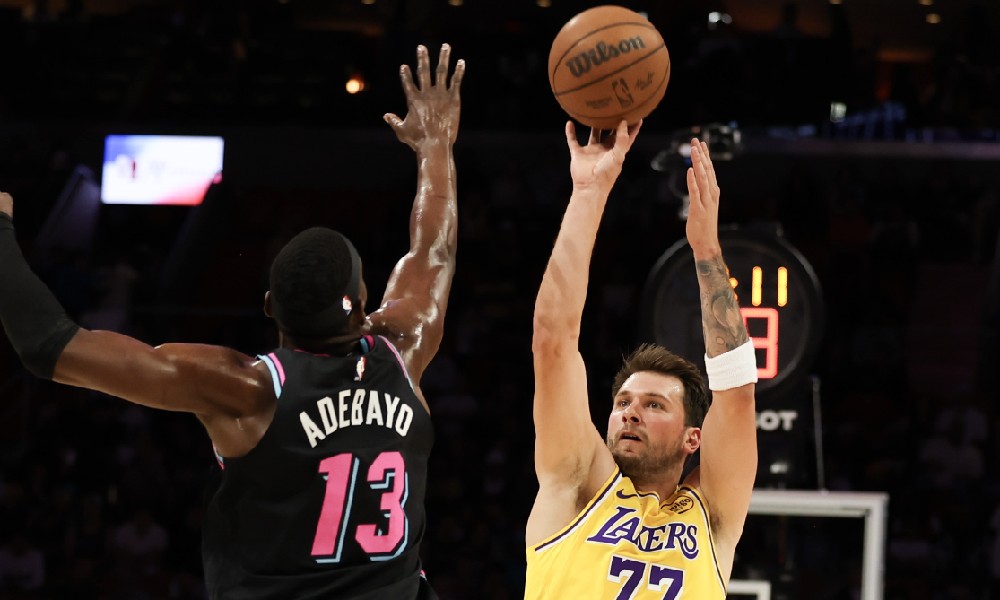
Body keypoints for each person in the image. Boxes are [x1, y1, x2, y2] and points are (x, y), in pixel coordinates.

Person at [0, 42, 464, 600]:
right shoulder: (404, 351)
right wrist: (435, 144)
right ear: (363, 305)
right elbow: (432, 249)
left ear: (268, 306)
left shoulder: (245, 390)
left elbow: (47, 345)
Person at [525, 121, 758, 599]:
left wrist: (707, 251)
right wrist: (589, 191)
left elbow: (736, 395)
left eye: (654, 405)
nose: (629, 411)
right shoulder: (575, 485)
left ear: (694, 437)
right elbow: (553, 339)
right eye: (624, 401)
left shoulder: (710, 517)